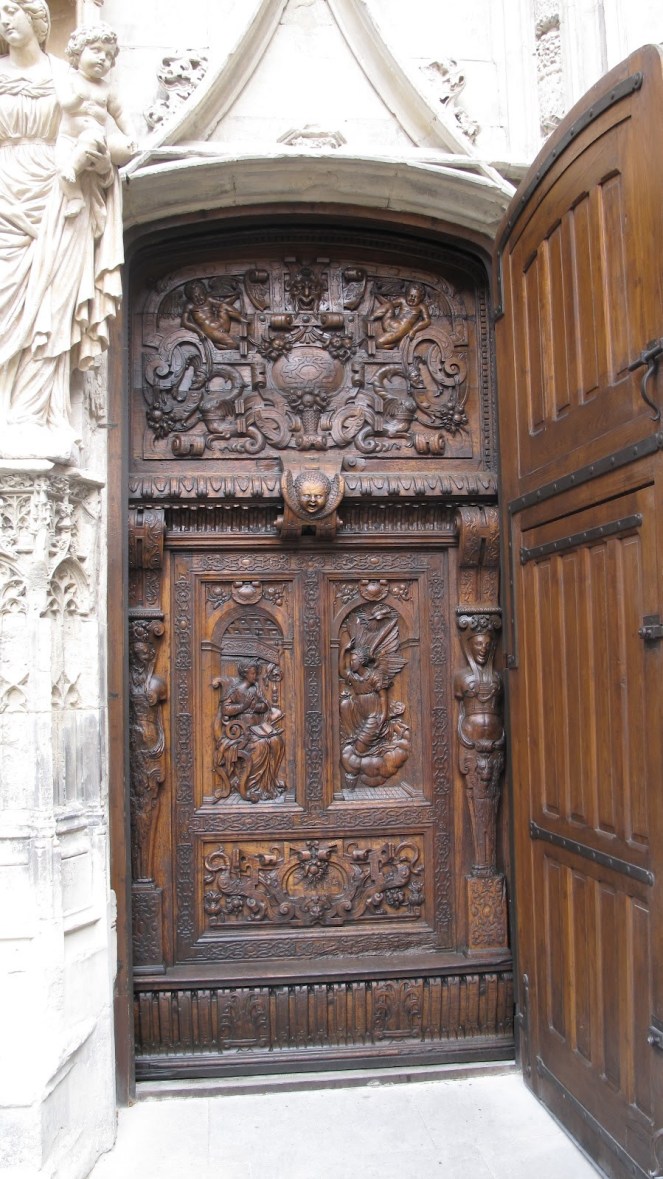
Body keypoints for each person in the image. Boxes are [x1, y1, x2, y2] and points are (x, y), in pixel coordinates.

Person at [0, 0, 127, 463]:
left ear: (39, 20)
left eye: (13, 10)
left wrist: (98, 162)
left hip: (59, 194)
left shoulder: (66, 77)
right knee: (7, 298)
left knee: (48, 301)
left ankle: (32, 413)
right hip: (4, 195)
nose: (4, 19)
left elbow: (102, 137)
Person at [56, 23, 136, 219]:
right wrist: (78, 99)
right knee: (61, 169)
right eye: (96, 51)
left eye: (109, 56)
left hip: (93, 138)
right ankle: (75, 197)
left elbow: (120, 114)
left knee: (93, 138)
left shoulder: (107, 89)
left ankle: (73, 169)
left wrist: (131, 135)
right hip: (67, 137)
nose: (103, 58)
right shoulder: (68, 80)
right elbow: (65, 104)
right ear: (78, 53)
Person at [369, 281, 431, 348]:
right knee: (389, 305)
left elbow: (427, 321)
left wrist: (414, 330)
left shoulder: (421, 306)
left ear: (421, 298)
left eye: (416, 297)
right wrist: (378, 296)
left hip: (398, 331)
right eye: (410, 295)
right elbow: (388, 304)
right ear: (406, 294)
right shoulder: (402, 300)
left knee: (378, 342)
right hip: (389, 323)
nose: (412, 298)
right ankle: (370, 318)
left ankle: (395, 343)